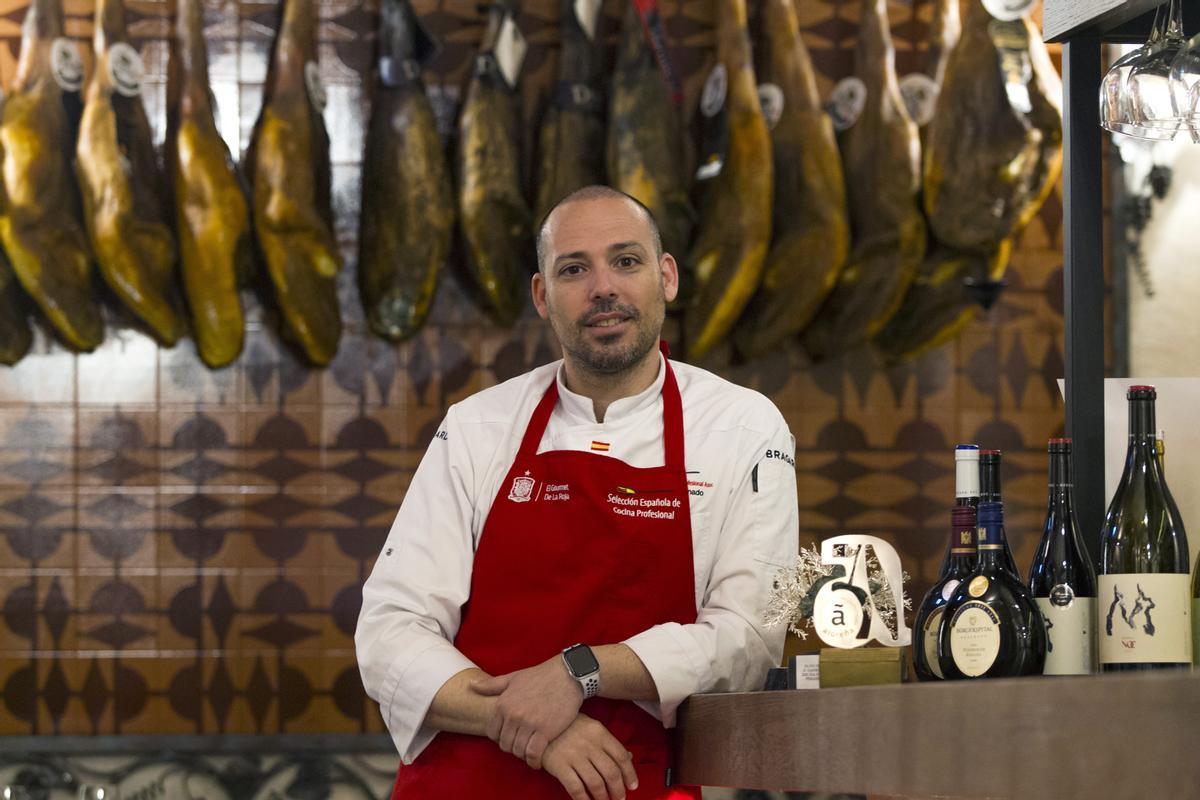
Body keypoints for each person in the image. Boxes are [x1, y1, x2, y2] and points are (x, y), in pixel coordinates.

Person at [356, 185, 798, 800]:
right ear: (542, 296)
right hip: (465, 781)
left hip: (623, 783)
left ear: (665, 277)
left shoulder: (744, 427)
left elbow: (748, 639)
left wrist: (578, 673)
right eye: (573, 269)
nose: (603, 288)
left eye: (626, 261)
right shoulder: (478, 426)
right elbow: (389, 631)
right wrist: (533, 726)